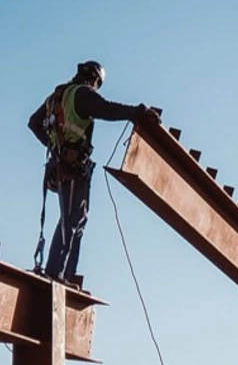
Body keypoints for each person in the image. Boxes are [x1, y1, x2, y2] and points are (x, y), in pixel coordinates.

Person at [28, 60, 160, 287]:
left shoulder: (57, 95)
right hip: (72, 167)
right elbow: (108, 109)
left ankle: (62, 274)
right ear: (95, 80)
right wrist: (139, 112)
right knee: (72, 221)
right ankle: (56, 274)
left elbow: (34, 123)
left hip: (61, 165)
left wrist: (54, 146)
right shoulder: (82, 95)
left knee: (74, 219)